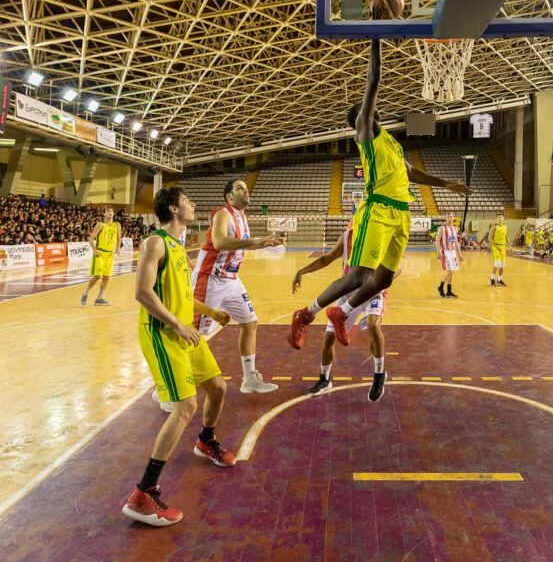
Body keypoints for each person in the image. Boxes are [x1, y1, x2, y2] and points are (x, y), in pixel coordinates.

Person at [288, 39, 471, 348]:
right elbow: (374, 79)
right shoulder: (365, 132)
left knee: (384, 279)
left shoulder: (391, 143)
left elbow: (410, 173)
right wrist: (376, 35)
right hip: (379, 210)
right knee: (360, 276)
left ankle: (342, 314)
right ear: (362, 117)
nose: (374, 109)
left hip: (402, 213)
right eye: (369, 109)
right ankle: (305, 314)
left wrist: (447, 185)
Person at [122, 187, 235, 527]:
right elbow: (142, 294)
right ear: (173, 209)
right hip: (163, 334)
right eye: (188, 201)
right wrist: (177, 324)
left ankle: (206, 441)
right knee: (185, 406)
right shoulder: (155, 243)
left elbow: (181, 298)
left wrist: (210, 311)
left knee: (217, 388)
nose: (194, 204)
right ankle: (143, 494)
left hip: (184, 329)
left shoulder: (179, 248)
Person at [192, 180, 285, 394]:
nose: (246, 190)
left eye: (246, 187)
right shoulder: (223, 214)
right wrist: (256, 242)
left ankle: (250, 378)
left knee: (250, 323)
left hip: (232, 280)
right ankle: (167, 386)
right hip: (210, 279)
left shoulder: (243, 217)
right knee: (194, 333)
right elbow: (219, 243)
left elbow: (238, 247)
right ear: (229, 197)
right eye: (240, 188)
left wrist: (263, 243)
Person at [291, 220, 391, 400]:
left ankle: (379, 374)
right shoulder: (347, 237)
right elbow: (326, 259)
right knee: (329, 336)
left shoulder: (380, 237)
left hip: (373, 291)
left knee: (373, 325)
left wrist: (380, 278)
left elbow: (395, 268)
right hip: (349, 292)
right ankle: (324, 379)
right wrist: (301, 271)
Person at [80, 207, 120, 306]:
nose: (110, 213)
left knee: (106, 277)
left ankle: (99, 298)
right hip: (100, 253)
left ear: (113, 213)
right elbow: (90, 239)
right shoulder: (100, 225)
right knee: (97, 276)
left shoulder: (117, 225)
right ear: (104, 214)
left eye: (111, 211)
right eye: (107, 211)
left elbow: (119, 238)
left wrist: (118, 248)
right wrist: (95, 250)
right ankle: (85, 294)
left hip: (110, 254)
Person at [436, 213, 461, 298]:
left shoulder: (455, 228)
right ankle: (440, 287)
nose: (450, 218)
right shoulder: (442, 228)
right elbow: (437, 241)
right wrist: (438, 252)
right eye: (448, 217)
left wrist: (459, 253)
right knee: (449, 271)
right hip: (445, 251)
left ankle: (449, 292)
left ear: (453, 218)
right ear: (445, 218)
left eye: (451, 217)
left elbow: (456, 242)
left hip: (453, 251)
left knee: (452, 271)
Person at [486, 213, 509, 286]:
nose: (500, 218)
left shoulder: (505, 226)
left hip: (503, 247)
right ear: (496, 219)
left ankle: (500, 280)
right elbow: (490, 238)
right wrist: (496, 246)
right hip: (495, 247)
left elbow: (506, 236)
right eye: (498, 217)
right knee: (497, 263)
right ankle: (492, 278)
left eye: (501, 217)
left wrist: (510, 246)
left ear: (503, 218)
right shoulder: (494, 226)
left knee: (502, 265)